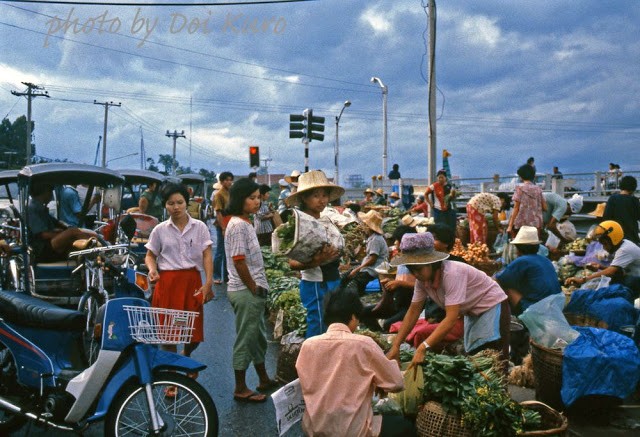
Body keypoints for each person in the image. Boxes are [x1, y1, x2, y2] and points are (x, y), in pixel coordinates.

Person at [296, 288, 413, 437]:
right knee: (405, 426)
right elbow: (396, 383)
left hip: (314, 428)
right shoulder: (363, 344)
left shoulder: (308, 345)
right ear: (353, 316)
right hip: (351, 431)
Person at [386, 232, 510, 369]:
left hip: (493, 307)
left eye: (418, 269)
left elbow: (451, 318)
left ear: (432, 263)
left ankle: (501, 390)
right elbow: (413, 311)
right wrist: (396, 345)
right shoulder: (422, 281)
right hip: (471, 312)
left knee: (494, 360)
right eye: (411, 270)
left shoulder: (451, 273)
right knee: (476, 359)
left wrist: (424, 347)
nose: (415, 274)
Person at [144, 183, 214, 382]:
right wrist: (152, 270)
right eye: (171, 203)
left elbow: (207, 255)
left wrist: (208, 283)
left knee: (193, 334)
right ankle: (173, 377)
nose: (176, 207)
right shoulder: (159, 230)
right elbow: (150, 255)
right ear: (165, 205)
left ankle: (185, 356)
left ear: (186, 203)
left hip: (192, 282)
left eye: (180, 202)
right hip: (168, 284)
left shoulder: (199, 227)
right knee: (169, 334)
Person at [224, 178, 277, 403]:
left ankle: (263, 379)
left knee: (258, 338)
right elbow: (238, 261)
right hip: (245, 290)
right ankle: (240, 387)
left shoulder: (246, 222)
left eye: (258, 197)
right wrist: (253, 287)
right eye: (252, 198)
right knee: (246, 339)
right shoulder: (237, 225)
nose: (257, 202)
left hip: (250, 288)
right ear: (240, 199)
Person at [285, 170, 345, 337]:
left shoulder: (327, 220)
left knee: (334, 325)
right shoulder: (299, 225)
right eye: (316, 196)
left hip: (333, 279)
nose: (322, 200)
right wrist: (317, 260)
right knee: (317, 325)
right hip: (316, 284)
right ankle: (312, 362)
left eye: (325, 195)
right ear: (304, 198)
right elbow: (292, 263)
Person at [361, 225, 417, 332]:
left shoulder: (418, 262)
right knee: (363, 312)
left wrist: (399, 283)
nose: (395, 243)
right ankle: (377, 336)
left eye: (398, 240)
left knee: (388, 324)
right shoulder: (399, 258)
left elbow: (424, 286)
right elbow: (387, 271)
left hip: (411, 307)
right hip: (397, 303)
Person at [496, 226, 561, 316]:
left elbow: (500, 279)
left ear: (518, 247)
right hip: (554, 306)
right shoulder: (545, 259)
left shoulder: (523, 261)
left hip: (536, 309)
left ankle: (509, 318)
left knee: (506, 288)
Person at [565, 220, 640, 299]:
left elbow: (611, 272)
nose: (604, 247)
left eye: (605, 244)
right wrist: (600, 267)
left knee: (618, 285)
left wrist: (583, 280)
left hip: (636, 280)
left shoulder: (624, 250)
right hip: (631, 276)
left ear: (614, 239)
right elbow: (617, 270)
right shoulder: (621, 245)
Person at [27, 182, 98, 263]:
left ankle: (90, 258)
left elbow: (57, 222)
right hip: (42, 247)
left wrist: (65, 228)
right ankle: (100, 248)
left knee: (75, 238)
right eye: (50, 191)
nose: (51, 194)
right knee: (72, 232)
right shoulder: (32, 208)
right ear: (45, 192)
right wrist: (64, 233)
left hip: (50, 243)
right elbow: (43, 234)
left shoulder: (41, 208)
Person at [346, 210, 389, 296]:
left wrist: (357, 269)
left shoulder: (375, 239)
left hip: (374, 269)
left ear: (368, 226)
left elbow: (372, 259)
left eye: (364, 224)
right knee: (349, 276)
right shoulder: (372, 238)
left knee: (353, 283)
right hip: (372, 267)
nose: (362, 226)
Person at [507, 164, 546, 239]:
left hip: (522, 224)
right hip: (536, 224)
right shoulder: (538, 189)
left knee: (522, 247)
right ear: (533, 176)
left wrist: (510, 225)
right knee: (534, 246)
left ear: (521, 177)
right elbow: (545, 207)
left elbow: (516, 208)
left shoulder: (520, 189)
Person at [603, 176, 640, 244]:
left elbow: (606, 218)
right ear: (634, 188)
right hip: (631, 238)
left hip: (615, 237)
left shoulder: (613, 198)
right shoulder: (635, 200)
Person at [213, 171, 234, 284]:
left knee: (228, 252)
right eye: (226, 180)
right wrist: (223, 228)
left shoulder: (231, 193)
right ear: (221, 182)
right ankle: (216, 275)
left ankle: (227, 276)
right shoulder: (219, 194)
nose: (229, 182)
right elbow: (218, 213)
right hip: (222, 223)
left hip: (230, 222)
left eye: (230, 179)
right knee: (220, 251)